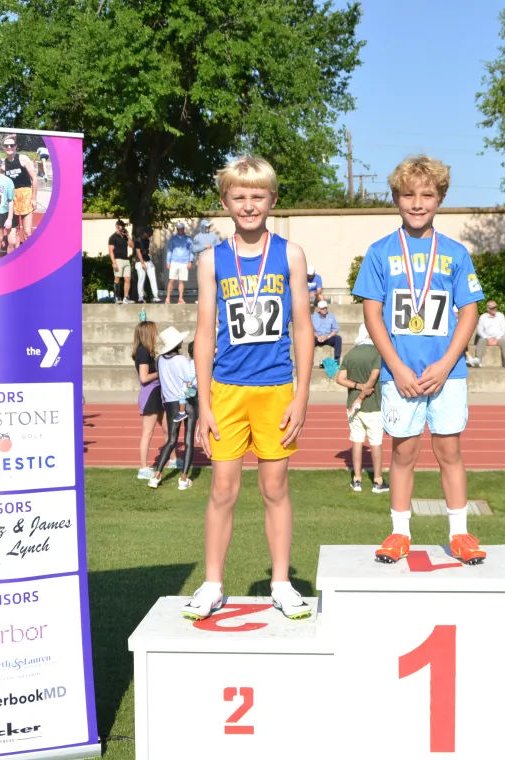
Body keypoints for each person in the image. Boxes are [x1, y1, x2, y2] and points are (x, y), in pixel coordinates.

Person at [187, 155, 314, 621]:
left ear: (272, 199)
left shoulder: (291, 254)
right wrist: (203, 404)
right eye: (239, 197)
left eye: (257, 196)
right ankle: (213, 583)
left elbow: (303, 327)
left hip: (277, 388)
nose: (248, 205)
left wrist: (302, 394)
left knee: (275, 487)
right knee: (222, 488)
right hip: (226, 390)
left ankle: (281, 582)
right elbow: (204, 333)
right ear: (225, 202)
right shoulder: (210, 260)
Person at [353, 154, 486, 566]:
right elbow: (372, 313)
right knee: (403, 454)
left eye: (427, 195)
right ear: (395, 197)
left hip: (447, 373)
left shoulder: (455, 253)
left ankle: (460, 533)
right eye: (408, 194)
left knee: (450, 452)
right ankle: (399, 532)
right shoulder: (379, 252)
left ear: (440, 198)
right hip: (401, 374)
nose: (417, 203)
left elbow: (469, 311)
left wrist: (447, 362)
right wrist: (395, 366)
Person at [337, 325, 387, 493]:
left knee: (357, 441)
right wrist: (365, 391)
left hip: (353, 405)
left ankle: (357, 479)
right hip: (373, 404)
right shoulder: (377, 353)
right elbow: (374, 374)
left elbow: (340, 379)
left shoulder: (351, 354)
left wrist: (358, 388)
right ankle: (378, 481)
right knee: (376, 442)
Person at [149, 326, 197, 490]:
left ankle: (156, 476)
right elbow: (190, 380)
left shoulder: (160, 360)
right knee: (189, 439)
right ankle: (183, 479)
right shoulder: (182, 360)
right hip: (187, 401)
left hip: (170, 402)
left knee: (171, 440)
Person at [132, 321, 165, 480]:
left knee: (168, 429)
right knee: (148, 432)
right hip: (150, 393)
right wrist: (161, 372)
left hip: (158, 392)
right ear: (147, 333)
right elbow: (144, 378)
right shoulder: (142, 352)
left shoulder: (147, 351)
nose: (156, 334)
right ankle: (143, 468)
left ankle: (172, 459)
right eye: (154, 331)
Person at [2, 135, 38, 249]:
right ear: (3, 147)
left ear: (16, 146)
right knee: (15, 230)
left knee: (27, 232)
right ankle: (17, 256)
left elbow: (34, 178)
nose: (9, 147)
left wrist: (34, 198)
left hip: (25, 195)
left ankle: (28, 255)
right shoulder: (4, 163)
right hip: (13, 198)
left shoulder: (23, 159)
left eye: (12, 145)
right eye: (6, 145)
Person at [472, 300, 505, 368]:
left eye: (496, 307)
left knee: (504, 343)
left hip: (498, 337)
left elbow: (503, 328)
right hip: (486, 337)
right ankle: (478, 359)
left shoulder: (501, 316)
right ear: (488, 309)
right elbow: (480, 330)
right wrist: (487, 338)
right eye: (493, 308)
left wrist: (497, 338)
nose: (495, 309)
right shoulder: (483, 317)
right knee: (481, 341)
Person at [165, 222, 195, 304]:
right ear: (177, 229)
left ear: (183, 229)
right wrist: (168, 261)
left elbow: (191, 251)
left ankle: (180, 298)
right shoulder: (173, 239)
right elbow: (170, 251)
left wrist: (190, 261)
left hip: (184, 262)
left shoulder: (188, 239)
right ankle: (168, 297)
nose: (180, 230)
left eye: (182, 228)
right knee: (172, 280)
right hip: (174, 262)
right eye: (179, 229)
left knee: (181, 281)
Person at [134, 228, 161, 303]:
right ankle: (140, 296)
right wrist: (142, 262)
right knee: (141, 279)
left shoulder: (147, 240)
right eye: (148, 235)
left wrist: (151, 250)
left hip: (148, 260)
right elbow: (138, 252)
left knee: (153, 278)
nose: (149, 236)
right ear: (145, 233)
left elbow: (148, 250)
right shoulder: (138, 240)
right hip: (140, 262)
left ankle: (155, 295)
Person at [109, 220, 133, 303]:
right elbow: (111, 251)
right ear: (116, 226)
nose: (121, 227)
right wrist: (114, 262)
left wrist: (128, 236)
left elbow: (131, 245)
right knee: (117, 278)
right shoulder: (113, 237)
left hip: (126, 259)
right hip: (118, 259)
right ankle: (117, 297)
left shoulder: (124, 237)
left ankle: (126, 297)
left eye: (122, 225)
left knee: (127, 279)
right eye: (120, 225)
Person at [311, 300, 342, 364]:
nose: (324, 309)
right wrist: (317, 336)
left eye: (326, 308)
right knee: (309, 340)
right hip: (317, 337)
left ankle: (337, 359)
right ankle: (309, 360)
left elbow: (335, 329)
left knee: (338, 338)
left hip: (327, 337)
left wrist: (328, 336)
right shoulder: (313, 317)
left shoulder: (331, 316)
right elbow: (310, 330)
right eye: (322, 308)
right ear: (318, 309)